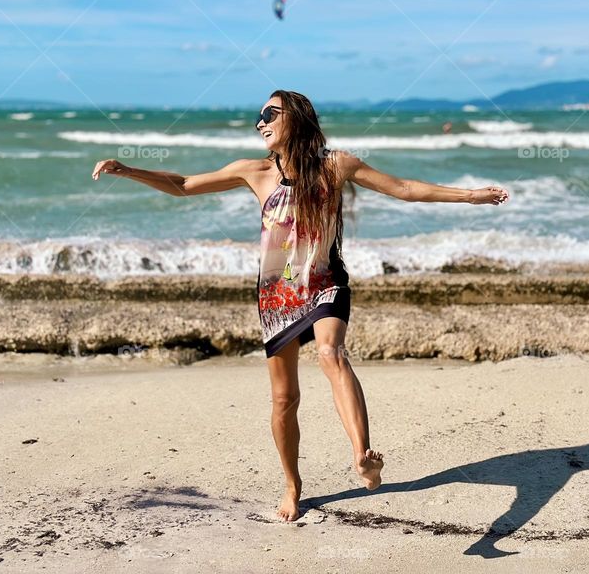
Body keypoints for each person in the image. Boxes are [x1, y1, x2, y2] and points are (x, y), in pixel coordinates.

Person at [91, 89, 510, 522]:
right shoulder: (254, 172)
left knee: (332, 353)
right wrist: (127, 170)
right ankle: (293, 485)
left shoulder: (336, 165)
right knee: (283, 400)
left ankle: (362, 455)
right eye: (258, 115)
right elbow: (183, 185)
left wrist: (472, 195)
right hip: (277, 296)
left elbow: (404, 189)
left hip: (325, 283)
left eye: (270, 112)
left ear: (296, 117)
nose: (260, 121)